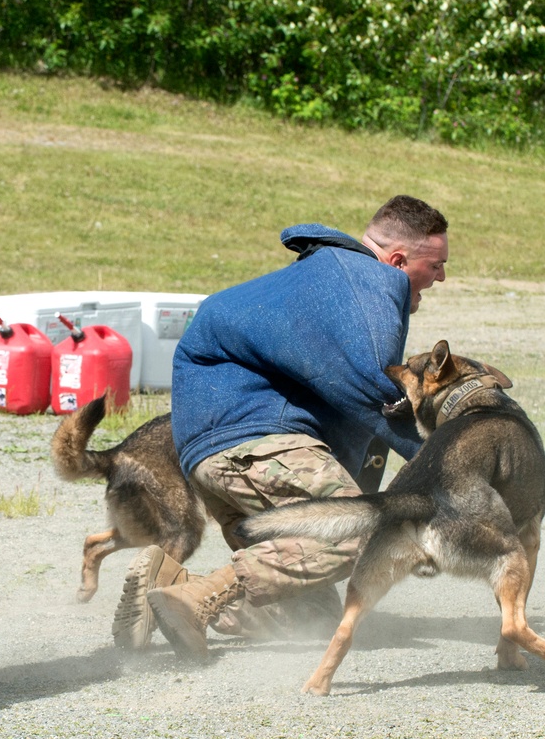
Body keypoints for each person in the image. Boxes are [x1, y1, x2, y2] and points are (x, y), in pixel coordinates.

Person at [113, 195, 449, 658]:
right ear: (397, 260)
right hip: (256, 442)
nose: (442, 277)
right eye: (436, 265)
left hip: (213, 453)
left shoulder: (329, 278)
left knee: (311, 619)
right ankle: (198, 596)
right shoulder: (371, 282)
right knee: (373, 527)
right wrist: (450, 455)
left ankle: (177, 588)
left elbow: (358, 413)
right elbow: (376, 389)